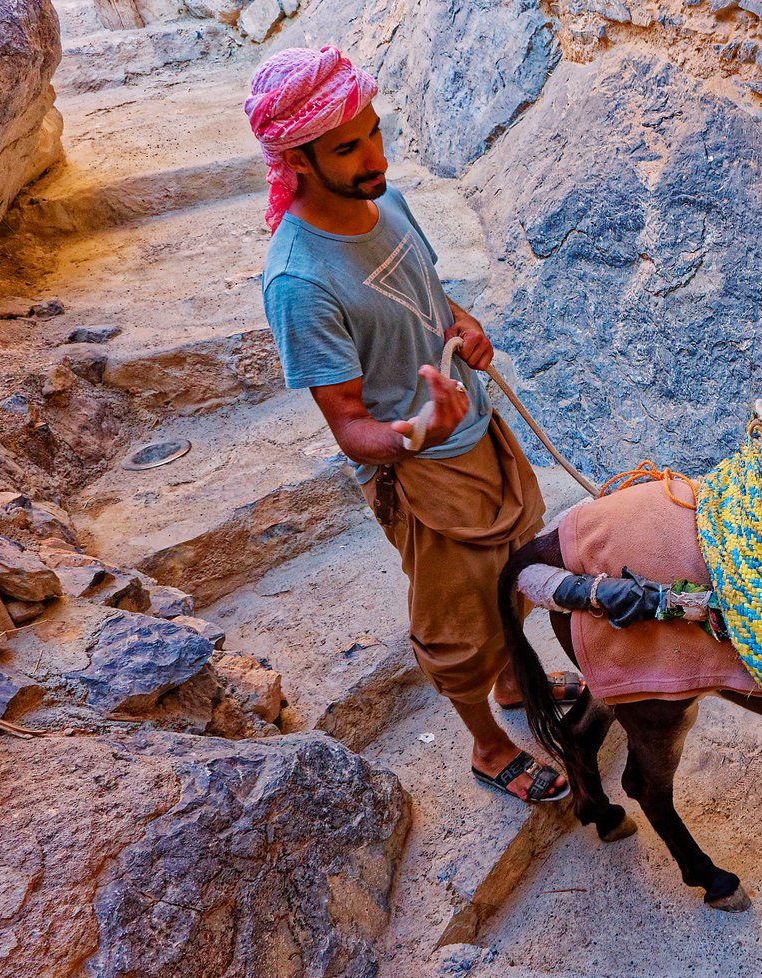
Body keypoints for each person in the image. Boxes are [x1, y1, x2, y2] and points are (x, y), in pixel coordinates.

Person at [245, 46, 578, 802]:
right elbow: (350, 428)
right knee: (457, 624)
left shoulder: (385, 200)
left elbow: (429, 294)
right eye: (347, 148)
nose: (375, 157)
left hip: (480, 433)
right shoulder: (299, 281)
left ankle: (514, 681)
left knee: (515, 571)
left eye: (372, 132)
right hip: (424, 476)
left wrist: (466, 325)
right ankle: (489, 747)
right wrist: (419, 429)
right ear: (295, 159)